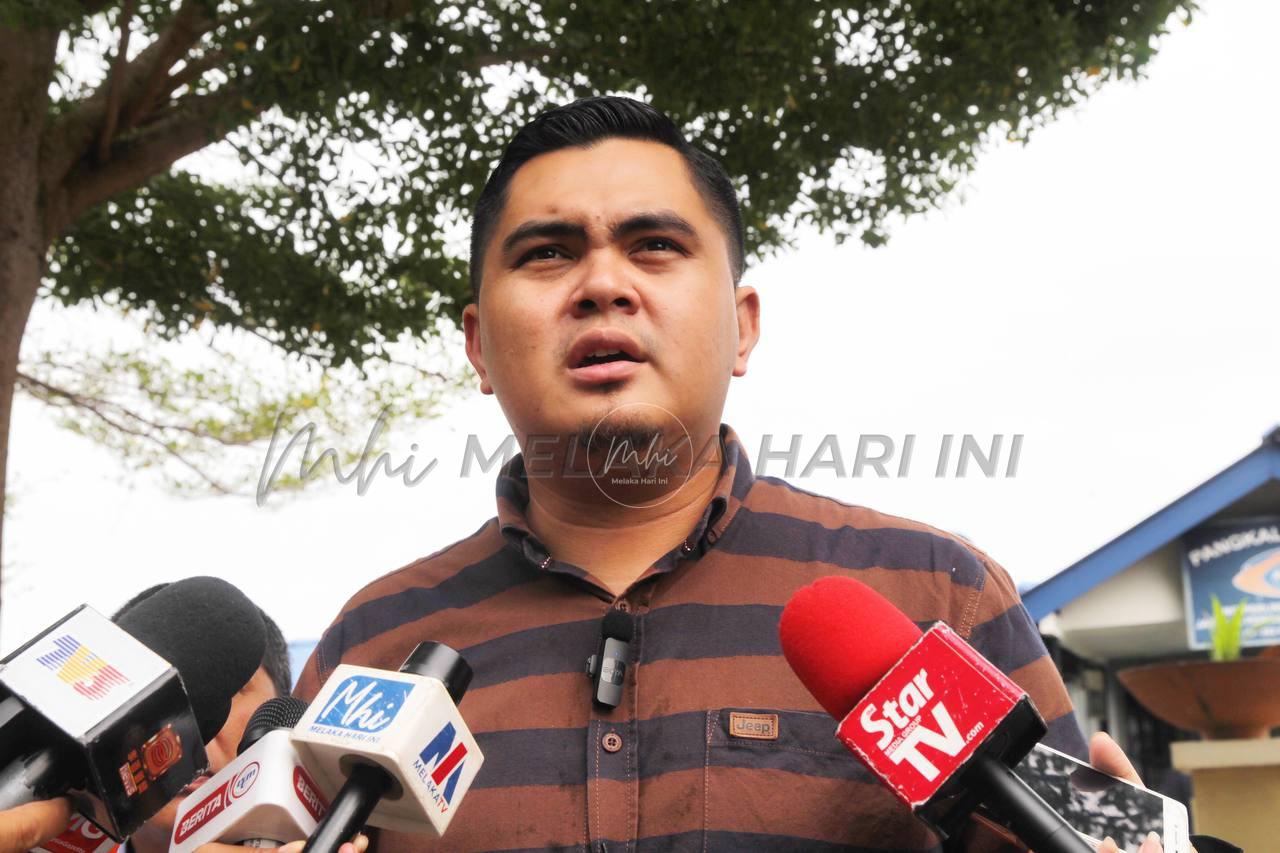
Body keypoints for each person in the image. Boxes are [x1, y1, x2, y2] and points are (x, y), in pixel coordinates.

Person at [294, 96, 1163, 852]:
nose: (603, 284)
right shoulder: (369, 651)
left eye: (654, 244)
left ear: (742, 325)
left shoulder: (937, 598)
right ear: (480, 345)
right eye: (550, 253)